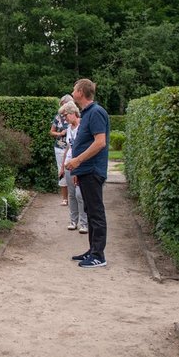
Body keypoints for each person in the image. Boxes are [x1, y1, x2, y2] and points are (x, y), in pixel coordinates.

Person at [65, 78, 110, 268]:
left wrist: (78, 161)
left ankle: (99, 255)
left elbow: (100, 142)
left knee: (96, 212)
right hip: (85, 171)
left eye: (74, 90)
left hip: (92, 170)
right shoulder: (87, 113)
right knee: (90, 211)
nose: (73, 92)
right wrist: (78, 170)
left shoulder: (96, 113)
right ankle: (92, 250)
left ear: (81, 93)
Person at [57, 103, 87, 233]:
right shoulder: (69, 128)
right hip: (69, 164)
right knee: (72, 194)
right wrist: (62, 167)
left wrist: (79, 165)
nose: (64, 119)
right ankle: (73, 221)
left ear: (72, 113)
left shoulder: (83, 126)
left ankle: (84, 223)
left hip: (80, 164)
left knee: (81, 194)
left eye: (65, 116)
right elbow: (67, 148)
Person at [49, 95, 75, 206]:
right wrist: (60, 133)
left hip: (73, 148)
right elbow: (51, 132)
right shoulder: (58, 117)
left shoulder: (76, 116)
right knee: (62, 170)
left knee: (75, 171)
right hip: (60, 148)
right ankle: (65, 198)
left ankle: (75, 196)